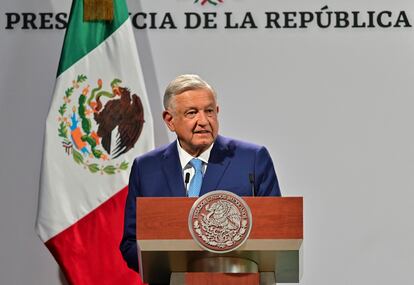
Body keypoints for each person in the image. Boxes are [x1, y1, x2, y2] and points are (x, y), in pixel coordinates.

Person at [120, 74, 281, 272]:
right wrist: (175, 267)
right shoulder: (146, 168)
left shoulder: (252, 159)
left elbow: (277, 233)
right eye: (191, 113)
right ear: (169, 120)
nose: (203, 121)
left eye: (209, 111)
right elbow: (130, 243)